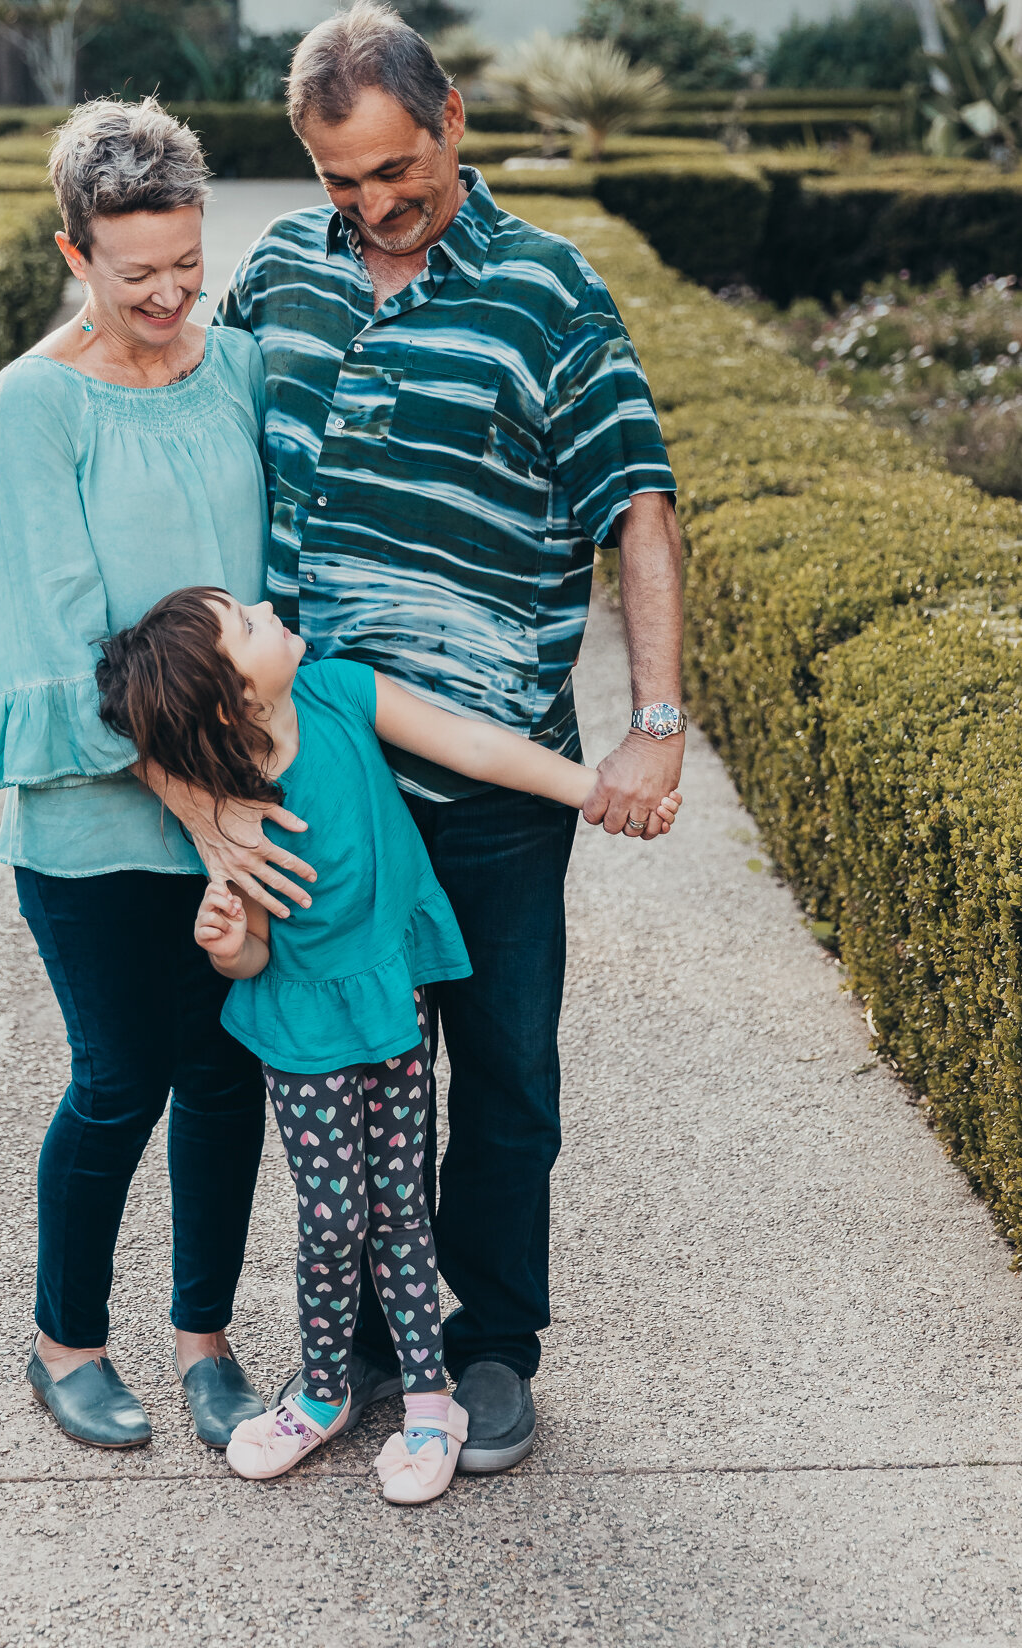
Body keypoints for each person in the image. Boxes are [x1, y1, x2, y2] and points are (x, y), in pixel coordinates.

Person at [210, 0, 686, 1472]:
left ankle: (487, 1346)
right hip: (317, 781)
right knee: (342, 1077)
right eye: (342, 177)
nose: (374, 204)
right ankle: (360, 1345)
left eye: (398, 167)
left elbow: (640, 507)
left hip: (487, 784)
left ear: (455, 117)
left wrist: (655, 722)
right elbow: (189, 439)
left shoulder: (549, 292)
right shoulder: (279, 273)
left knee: (504, 1080)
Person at [95, 586, 679, 1504]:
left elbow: (471, 743)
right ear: (233, 703)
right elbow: (249, 956)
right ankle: (323, 1389)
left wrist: (592, 789)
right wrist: (224, 944)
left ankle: (428, 1401)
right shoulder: (230, 806)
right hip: (298, 1032)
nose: (261, 604)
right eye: (244, 623)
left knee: (399, 1209)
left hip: (387, 1003)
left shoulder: (339, 691)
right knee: (330, 1223)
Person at [0, 96, 314, 1453]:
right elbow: (59, 651)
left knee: (227, 1077)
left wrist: (253, 796)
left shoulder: (237, 369)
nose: (170, 296)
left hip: (237, 802)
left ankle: (206, 1344)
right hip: (94, 820)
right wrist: (203, 812)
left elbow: (272, 589)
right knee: (119, 1079)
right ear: (74, 255)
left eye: (187, 266)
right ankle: (65, 1346)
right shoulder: (40, 401)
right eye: (137, 275)